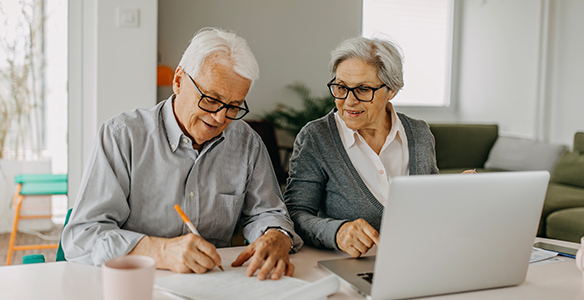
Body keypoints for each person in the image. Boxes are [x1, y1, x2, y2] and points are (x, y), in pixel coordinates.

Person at [62, 28, 302, 281]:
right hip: (134, 283)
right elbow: (83, 236)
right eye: (211, 99)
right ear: (178, 81)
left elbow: (268, 213)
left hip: (215, 284)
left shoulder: (247, 142)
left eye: (233, 107)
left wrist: (277, 236)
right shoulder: (122, 135)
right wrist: (160, 251)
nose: (220, 117)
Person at [283, 36, 438, 258]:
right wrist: (336, 232)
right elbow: (295, 214)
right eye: (340, 87)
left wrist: (455, 195)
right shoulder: (316, 137)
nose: (348, 101)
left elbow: (430, 207)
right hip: (349, 265)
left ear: (391, 90)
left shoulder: (420, 133)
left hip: (418, 258)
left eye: (363, 89)